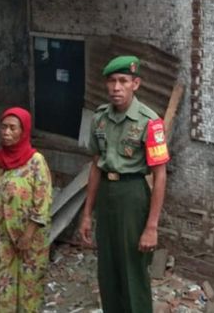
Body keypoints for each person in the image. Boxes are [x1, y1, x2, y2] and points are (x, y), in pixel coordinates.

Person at [79, 55, 171, 313]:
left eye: (123, 81)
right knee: (107, 271)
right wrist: (87, 214)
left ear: (136, 84)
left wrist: (151, 227)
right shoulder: (99, 118)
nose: (116, 87)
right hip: (106, 197)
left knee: (133, 271)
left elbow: (160, 175)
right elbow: (96, 167)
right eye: (111, 81)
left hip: (133, 197)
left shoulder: (149, 122)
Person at [0, 107, 53, 312]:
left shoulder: (36, 161)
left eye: (13, 128)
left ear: (24, 131)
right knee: (2, 287)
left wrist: (27, 236)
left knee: (29, 289)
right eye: (3, 127)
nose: (7, 132)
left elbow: (43, 203)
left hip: (30, 241)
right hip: (2, 240)